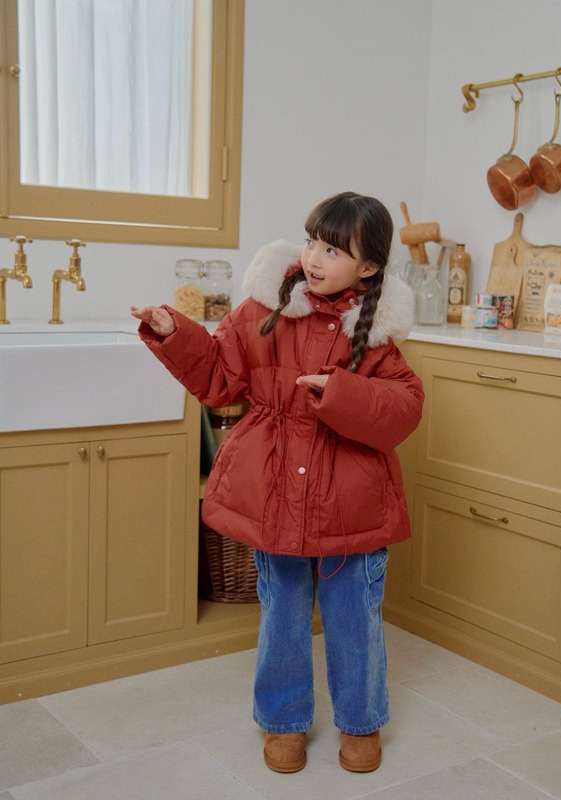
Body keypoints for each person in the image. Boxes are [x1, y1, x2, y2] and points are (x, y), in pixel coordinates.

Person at [131, 191, 424, 774]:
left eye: (334, 250)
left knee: (354, 618)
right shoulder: (263, 309)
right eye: (312, 242)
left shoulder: (377, 333)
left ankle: (361, 722)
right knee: (282, 615)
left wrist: (340, 394)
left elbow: (403, 409)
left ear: (368, 267)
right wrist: (175, 333)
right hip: (276, 493)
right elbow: (219, 378)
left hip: (351, 501)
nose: (314, 257)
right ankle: (283, 721)